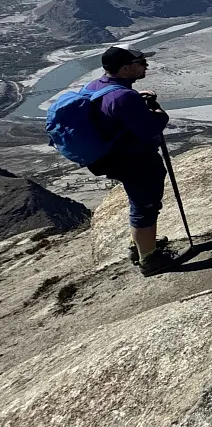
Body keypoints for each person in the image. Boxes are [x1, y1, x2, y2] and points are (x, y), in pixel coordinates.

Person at [86, 46, 174, 276]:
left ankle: (141, 245)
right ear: (126, 69)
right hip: (135, 160)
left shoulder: (96, 86)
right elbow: (149, 129)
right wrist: (157, 111)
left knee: (140, 202)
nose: (146, 65)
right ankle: (149, 258)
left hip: (114, 158)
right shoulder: (124, 97)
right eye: (141, 62)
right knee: (145, 205)